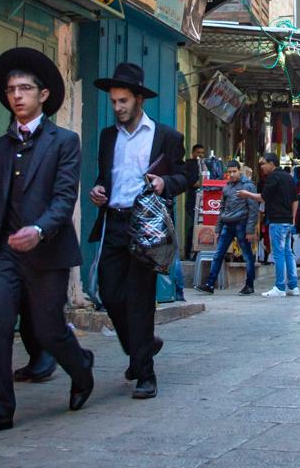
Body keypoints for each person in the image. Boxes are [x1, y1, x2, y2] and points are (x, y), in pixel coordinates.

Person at [0, 49, 95, 438]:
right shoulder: (0, 146)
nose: (17, 96)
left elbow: (63, 198)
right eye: (10, 90)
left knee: (48, 329)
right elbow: (0, 200)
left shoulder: (64, 141)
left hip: (48, 250)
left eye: (25, 89)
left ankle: (81, 369)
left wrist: (38, 230)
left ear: (43, 95)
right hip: (6, 252)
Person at [88, 63, 188, 400]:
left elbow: (188, 176)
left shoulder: (167, 137)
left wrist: (165, 182)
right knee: (109, 293)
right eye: (114, 102)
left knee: (140, 301)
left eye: (123, 101)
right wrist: (99, 189)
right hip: (114, 223)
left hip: (146, 226)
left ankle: (145, 373)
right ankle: (140, 347)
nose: (117, 108)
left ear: (139, 99)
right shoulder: (107, 136)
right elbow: (106, 176)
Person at [237, 153, 299, 298]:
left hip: (277, 220)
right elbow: (295, 200)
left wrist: (247, 194)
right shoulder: (289, 178)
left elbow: (263, 197)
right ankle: (293, 286)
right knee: (288, 252)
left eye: (264, 163)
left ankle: (279, 287)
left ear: (272, 163)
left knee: (278, 254)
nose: (262, 167)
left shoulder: (272, 178)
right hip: (288, 220)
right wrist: (293, 218)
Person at [194, 160, 259, 295]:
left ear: (239, 170)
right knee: (218, 254)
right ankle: (210, 284)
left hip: (242, 224)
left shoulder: (248, 186)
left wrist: (250, 229)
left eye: (234, 171)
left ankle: (249, 285)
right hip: (227, 225)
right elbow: (222, 208)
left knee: (247, 256)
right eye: (229, 172)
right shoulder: (227, 187)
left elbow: (253, 209)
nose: (231, 174)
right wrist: (218, 228)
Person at [183, 144, 206, 259]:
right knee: (193, 226)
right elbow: (194, 183)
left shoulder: (205, 165)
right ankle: (188, 252)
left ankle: (198, 252)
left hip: (204, 201)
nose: (200, 155)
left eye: (202, 153)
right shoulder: (189, 165)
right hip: (192, 201)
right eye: (198, 152)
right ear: (193, 153)